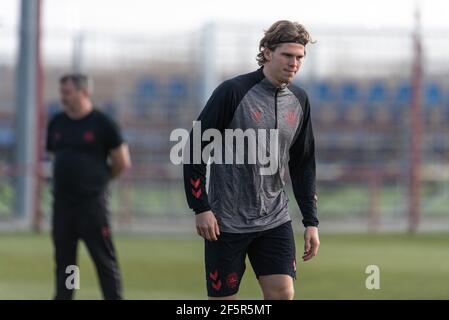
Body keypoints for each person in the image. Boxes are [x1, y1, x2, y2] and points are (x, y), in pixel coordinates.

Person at [183, 20, 320, 300]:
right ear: (267, 52)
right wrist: (200, 207)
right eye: (287, 55)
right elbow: (195, 147)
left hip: (274, 218)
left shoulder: (299, 100)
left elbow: (303, 163)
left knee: (283, 293)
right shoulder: (232, 92)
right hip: (226, 221)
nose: (294, 63)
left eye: (299, 57)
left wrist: (311, 221)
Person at [46, 74, 131, 300]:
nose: (62, 97)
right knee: (66, 263)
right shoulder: (57, 123)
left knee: (103, 259)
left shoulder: (102, 123)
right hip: (63, 206)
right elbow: (55, 155)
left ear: (84, 92)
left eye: (67, 92)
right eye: (61, 92)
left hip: (92, 206)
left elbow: (122, 161)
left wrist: (99, 181)